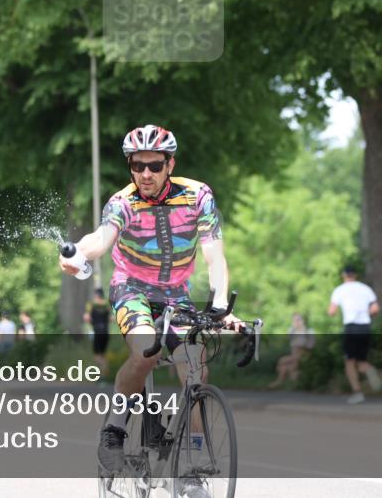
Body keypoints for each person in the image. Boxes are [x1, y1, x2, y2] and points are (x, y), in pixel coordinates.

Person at [59, 124, 242, 498]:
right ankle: (114, 428)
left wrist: (221, 305)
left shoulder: (197, 196)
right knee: (147, 348)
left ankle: (190, 469)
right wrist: (79, 252)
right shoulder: (122, 202)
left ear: (169, 164)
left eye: (154, 166)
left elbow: (214, 256)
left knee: (195, 362)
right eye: (137, 165)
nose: (145, 174)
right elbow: (102, 239)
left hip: (176, 294)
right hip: (131, 289)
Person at [328, 266, 382, 404]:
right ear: (355, 275)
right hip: (365, 326)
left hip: (351, 327)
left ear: (344, 275)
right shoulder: (365, 288)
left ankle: (357, 392)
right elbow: (375, 309)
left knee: (349, 362)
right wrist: (365, 313)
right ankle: (370, 370)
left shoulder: (339, 290)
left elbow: (331, 311)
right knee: (361, 361)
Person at [269, 313, 315, 389]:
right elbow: (292, 343)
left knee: (282, 361)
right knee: (284, 366)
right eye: (294, 320)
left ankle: (281, 381)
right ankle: (283, 381)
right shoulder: (292, 331)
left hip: (304, 357)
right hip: (294, 357)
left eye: (298, 320)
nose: (296, 322)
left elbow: (310, 346)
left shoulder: (309, 331)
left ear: (302, 320)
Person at [84, 288, 112, 376]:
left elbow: (87, 318)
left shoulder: (91, 304)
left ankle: (102, 373)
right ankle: (105, 373)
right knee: (103, 354)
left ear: (96, 295)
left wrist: (92, 322)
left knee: (97, 355)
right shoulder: (107, 304)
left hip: (97, 331)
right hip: (105, 332)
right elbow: (111, 319)